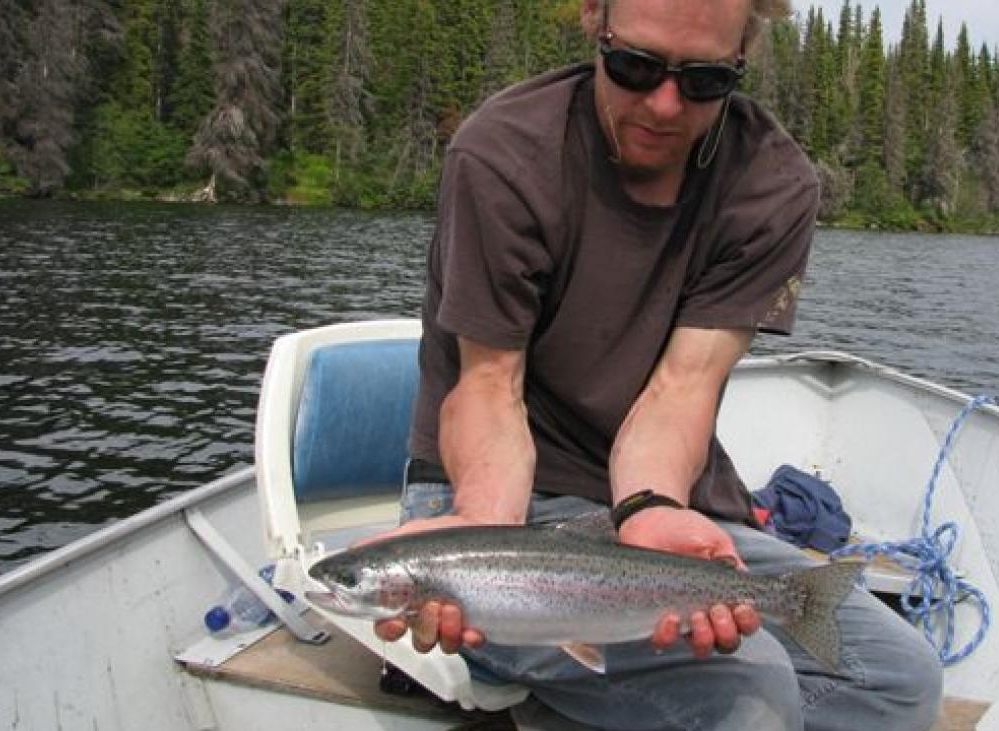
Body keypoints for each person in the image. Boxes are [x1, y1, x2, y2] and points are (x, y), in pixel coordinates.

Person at [370, 0, 943, 728]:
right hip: (502, 502)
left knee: (900, 680)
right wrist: (483, 542)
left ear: (745, 54)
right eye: (634, 66)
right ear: (593, 22)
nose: (665, 103)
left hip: (659, 507)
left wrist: (649, 509)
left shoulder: (772, 184)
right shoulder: (503, 155)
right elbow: (488, 386)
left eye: (704, 79)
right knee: (751, 694)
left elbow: (681, 390)